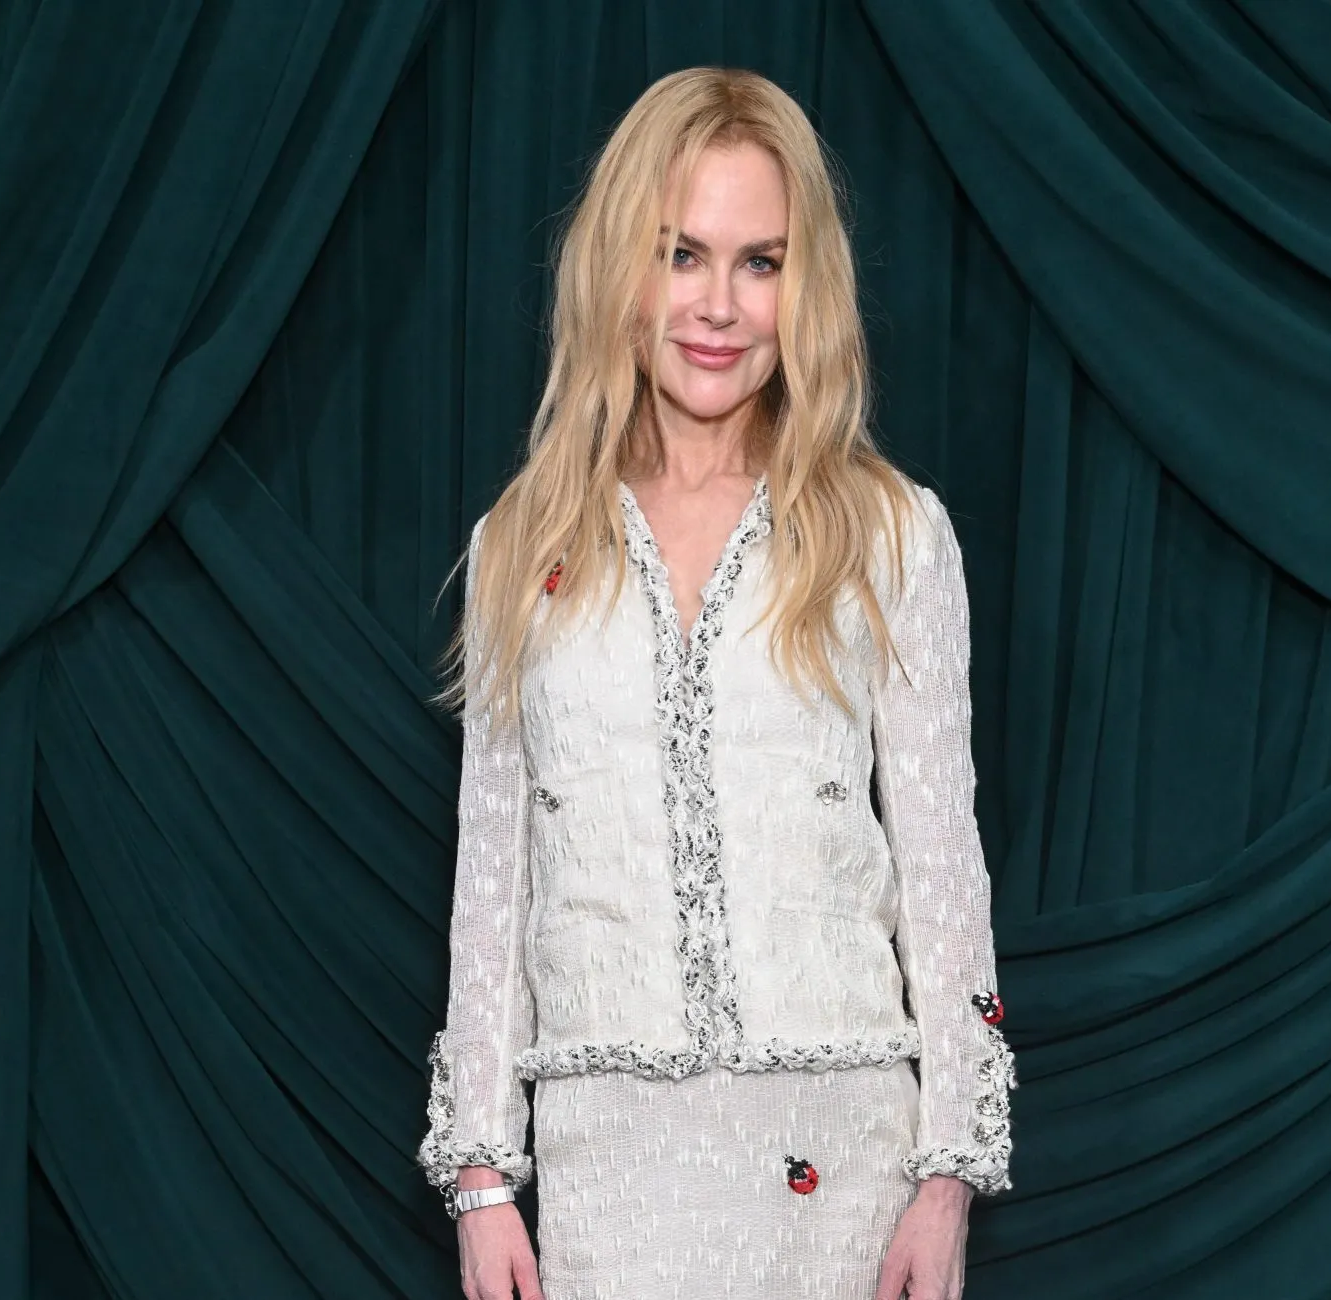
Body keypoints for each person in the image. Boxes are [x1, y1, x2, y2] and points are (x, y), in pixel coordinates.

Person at [415, 66, 1014, 1300]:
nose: (719, 306)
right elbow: (495, 888)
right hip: (606, 1170)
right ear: (619, 271)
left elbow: (942, 872)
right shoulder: (518, 546)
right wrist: (483, 1182)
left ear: (807, 288)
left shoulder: (892, 536)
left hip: (843, 1164)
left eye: (760, 262)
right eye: (682, 253)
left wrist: (945, 1178)